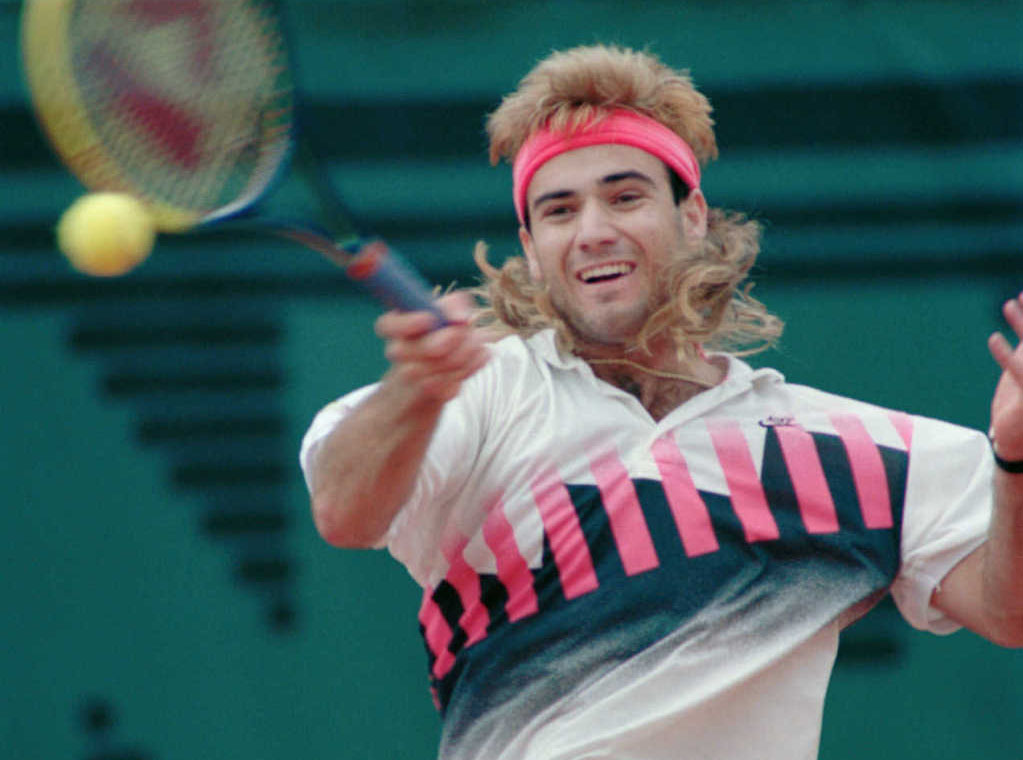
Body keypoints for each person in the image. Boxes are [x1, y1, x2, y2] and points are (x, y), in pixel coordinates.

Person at [300, 45, 1023, 759]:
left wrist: (1016, 459)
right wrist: (413, 393)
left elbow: (1007, 610)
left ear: (693, 214)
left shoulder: (848, 450)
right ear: (531, 243)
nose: (592, 232)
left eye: (624, 196)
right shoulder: (480, 397)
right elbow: (343, 509)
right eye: (558, 211)